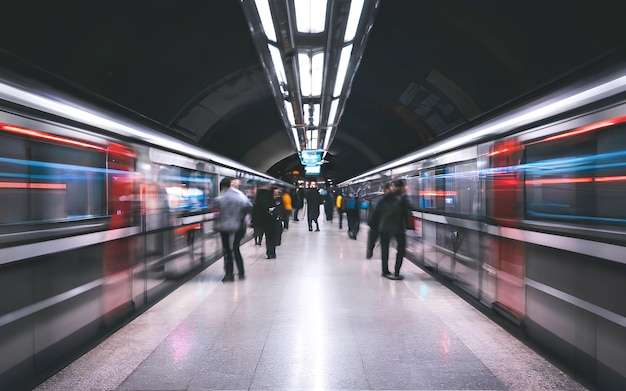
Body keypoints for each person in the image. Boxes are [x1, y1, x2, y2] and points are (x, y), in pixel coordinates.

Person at [215, 177, 252, 282]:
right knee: (236, 249)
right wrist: (241, 218)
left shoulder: (222, 196)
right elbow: (249, 206)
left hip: (226, 227)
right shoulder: (240, 195)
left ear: (222, 187)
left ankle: (229, 274)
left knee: (227, 250)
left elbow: (216, 205)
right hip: (239, 226)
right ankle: (241, 273)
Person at [366, 182, 394, 259]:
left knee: (384, 245)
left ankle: (385, 267)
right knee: (373, 241)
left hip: (384, 225)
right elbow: (374, 212)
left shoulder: (390, 200)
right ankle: (370, 251)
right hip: (377, 224)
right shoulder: (379, 199)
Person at [252, 187, 280, 259]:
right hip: (272, 223)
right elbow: (275, 212)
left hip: (261, 222)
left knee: (260, 234)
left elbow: (254, 213)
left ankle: (258, 242)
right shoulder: (271, 201)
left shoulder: (257, 203)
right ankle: (271, 253)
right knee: (271, 238)